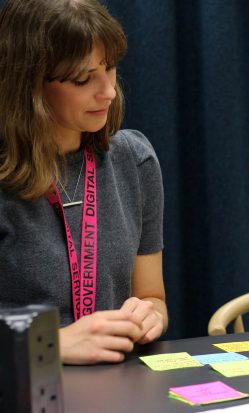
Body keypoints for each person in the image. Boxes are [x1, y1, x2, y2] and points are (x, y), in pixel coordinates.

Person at [0, 0, 167, 364]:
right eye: (83, 79)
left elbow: (152, 295)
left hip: (116, 384)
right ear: (28, 84)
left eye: (109, 69)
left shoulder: (134, 160)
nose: (107, 91)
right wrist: (51, 345)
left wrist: (149, 315)